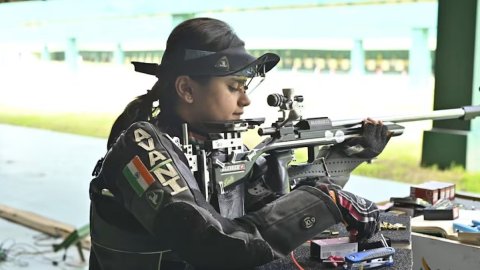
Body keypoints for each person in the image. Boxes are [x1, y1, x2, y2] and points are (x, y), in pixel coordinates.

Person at [89, 17, 391, 270]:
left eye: (245, 87)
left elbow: (273, 209)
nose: (245, 100)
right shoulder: (139, 147)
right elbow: (213, 245)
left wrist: (346, 157)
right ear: (186, 89)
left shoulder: (213, 143)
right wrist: (328, 201)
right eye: (233, 87)